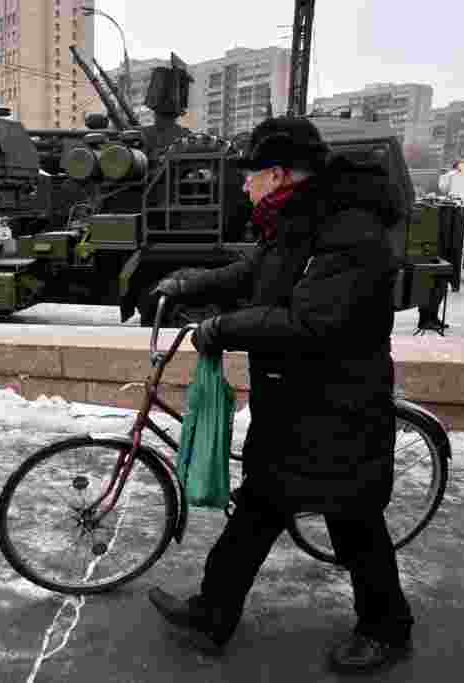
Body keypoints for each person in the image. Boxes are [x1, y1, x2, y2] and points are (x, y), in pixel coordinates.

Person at [148, 116, 414, 675]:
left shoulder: (352, 229)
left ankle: (386, 628)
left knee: (355, 522)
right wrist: (190, 283)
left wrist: (221, 329)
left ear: (277, 173)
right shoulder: (299, 220)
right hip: (292, 403)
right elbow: (256, 271)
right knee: (258, 510)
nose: (243, 185)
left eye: (249, 175)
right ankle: (212, 613)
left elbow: (310, 321)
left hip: (340, 407)